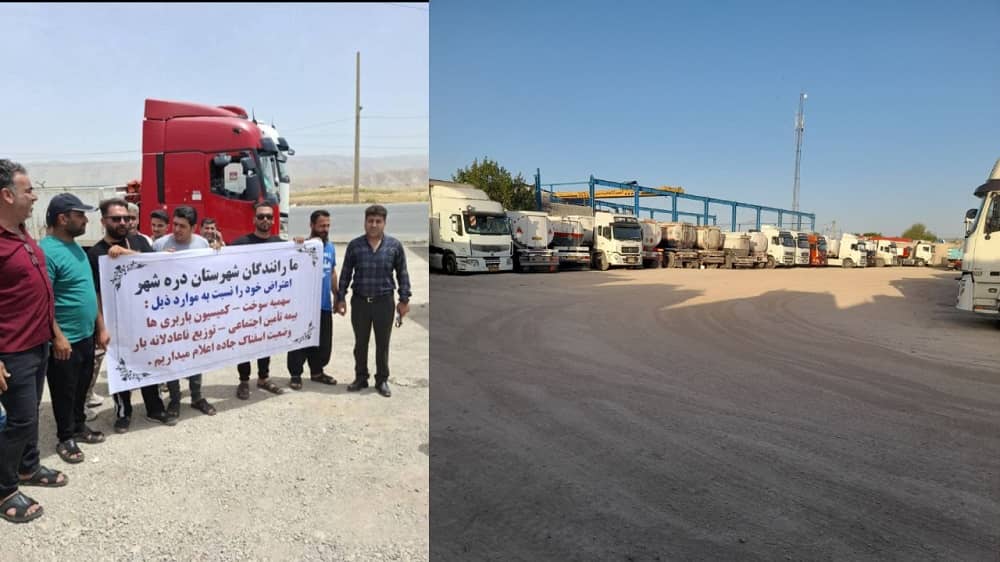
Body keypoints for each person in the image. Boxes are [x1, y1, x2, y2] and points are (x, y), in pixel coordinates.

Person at [0, 159, 67, 524]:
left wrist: (54, 331)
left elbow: (38, 290)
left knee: (29, 418)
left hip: (37, 343)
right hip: (12, 350)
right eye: (28, 190)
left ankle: (27, 469)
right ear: (7, 195)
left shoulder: (23, 233)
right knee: (20, 422)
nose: (34, 196)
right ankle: (5, 489)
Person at [87, 198, 176, 432]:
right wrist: (101, 327)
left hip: (145, 319)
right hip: (116, 323)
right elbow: (95, 294)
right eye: (116, 219)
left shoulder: (139, 242)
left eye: (126, 218)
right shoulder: (96, 252)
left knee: (150, 362)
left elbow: (153, 266)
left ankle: (155, 409)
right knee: (120, 366)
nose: (123, 222)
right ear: (104, 221)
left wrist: (127, 252)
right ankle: (123, 413)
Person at [40, 194, 109, 465]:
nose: (86, 220)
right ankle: (65, 437)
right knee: (64, 390)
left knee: (81, 387)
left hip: (85, 335)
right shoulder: (47, 252)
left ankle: (79, 425)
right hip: (64, 339)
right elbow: (43, 300)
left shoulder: (77, 248)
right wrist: (57, 336)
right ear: (62, 218)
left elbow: (90, 291)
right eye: (80, 215)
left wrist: (100, 327)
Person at [335, 204, 411, 398]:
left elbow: (402, 273)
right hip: (360, 302)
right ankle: (361, 377)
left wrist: (404, 300)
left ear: (384, 223)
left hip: (384, 302)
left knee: (382, 343)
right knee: (360, 343)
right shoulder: (355, 245)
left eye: (378, 221)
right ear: (365, 222)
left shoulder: (394, 246)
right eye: (370, 221)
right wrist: (341, 298)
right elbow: (345, 273)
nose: (374, 225)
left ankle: (382, 380)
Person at [153, 206, 216, 417]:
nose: (177, 230)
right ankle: (175, 398)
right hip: (169, 314)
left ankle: (197, 396)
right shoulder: (160, 244)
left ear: (194, 227)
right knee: (172, 355)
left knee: (195, 354)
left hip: (195, 312)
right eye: (175, 224)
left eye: (182, 226)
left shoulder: (202, 243)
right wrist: (159, 260)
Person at [231, 202, 286, 400]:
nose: (265, 220)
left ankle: (263, 378)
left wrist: (299, 245)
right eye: (261, 216)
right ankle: (244, 381)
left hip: (268, 303)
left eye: (269, 217)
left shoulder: (280, 244)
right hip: (245, 305)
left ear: (273, 220)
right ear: (254, 219)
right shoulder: (240, 244)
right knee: (245, 343)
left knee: (266, 340)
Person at [286, 210, 338, 390]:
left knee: (322, 343)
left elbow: (331, 272)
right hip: (304, 306)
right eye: (322, 225)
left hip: (324, 305)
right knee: (299, 341)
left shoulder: (330, 248)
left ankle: (317, 372)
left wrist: (338, 296)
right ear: (312, 225)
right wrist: (296, 244)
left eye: (328, 225)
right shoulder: (302, 246)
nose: (325, 229)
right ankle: (295, 375)